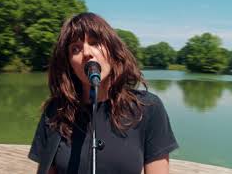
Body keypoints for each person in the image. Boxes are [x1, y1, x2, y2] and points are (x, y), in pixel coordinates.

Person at [28, 12, 178, 174]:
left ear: (112, 50)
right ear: (69, 64)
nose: (86, 52)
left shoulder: (148, 108)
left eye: (95, 42)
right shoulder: (55, 112)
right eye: (75, 48)